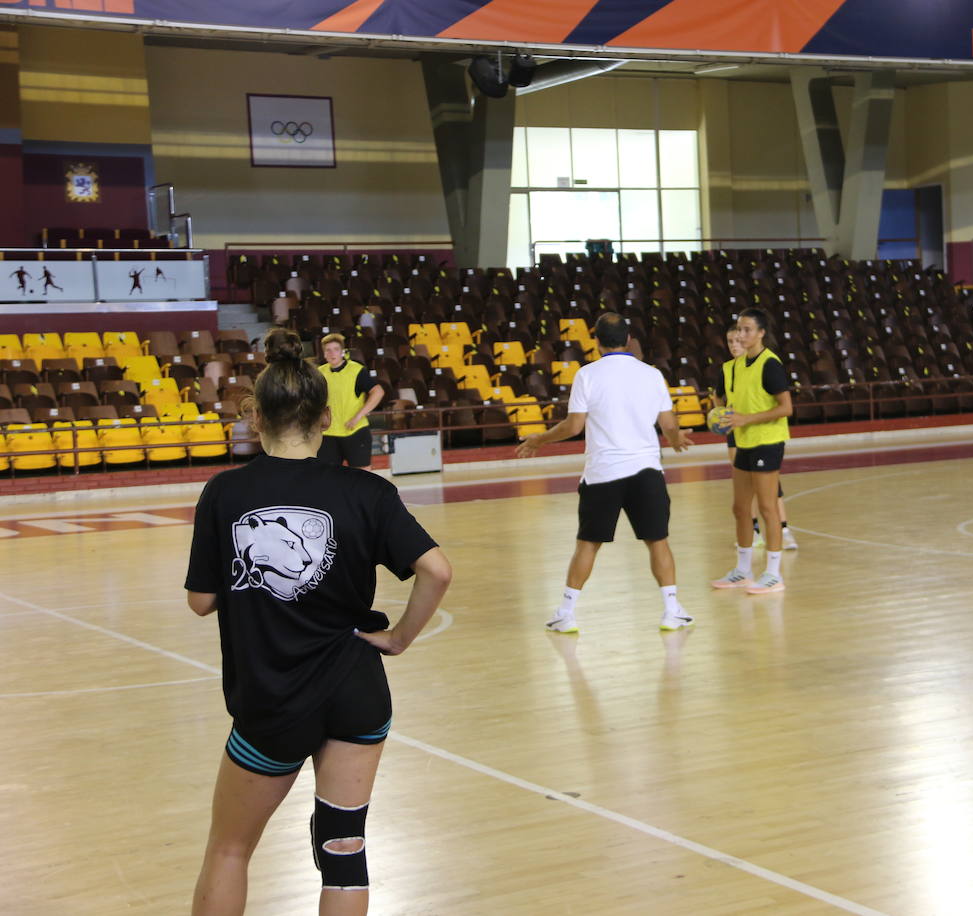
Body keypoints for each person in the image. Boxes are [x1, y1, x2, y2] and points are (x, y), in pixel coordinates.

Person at [185, 328, 452, 915]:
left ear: (257, 419)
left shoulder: (225, 493)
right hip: (356, 690)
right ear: (327, 417)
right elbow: (437, 571)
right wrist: (400, 639)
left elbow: (201, 601)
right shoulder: (367, 491)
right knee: (344, 857)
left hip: (274, 696)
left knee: (229, 850)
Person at [516, 312, 694, 633]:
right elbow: (668, 425)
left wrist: (539, 439)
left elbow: (573, 426)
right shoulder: (652, 374)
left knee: (587, 544)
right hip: (646, 472)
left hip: (603, 474)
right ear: (628, 340)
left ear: (595, 341)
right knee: (658, 542)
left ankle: (567, 614)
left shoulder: (587, 375)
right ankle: (671, 610)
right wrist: (676, 438)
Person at [710, 308, 793, 595]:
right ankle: (743, 571)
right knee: (740, 508)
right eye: (739, 329)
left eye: (747, 330)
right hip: (743, 441)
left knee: (768, 507)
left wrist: (745, 419)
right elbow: (724, 400)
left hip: (767, 441)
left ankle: (773, 574)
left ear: (761, 333)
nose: (741, 334)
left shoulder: (770, 364)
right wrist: (722, 416)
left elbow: (786, 407)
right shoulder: (733, 366)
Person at [316, 333, 385, 469]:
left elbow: (378, 391)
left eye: (336, 349)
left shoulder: (356, 370)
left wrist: (358, 416)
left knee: (362, 478)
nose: (332, 353)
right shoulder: (319, 373)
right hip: (328, 434)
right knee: (328, 478)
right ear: (324, 354)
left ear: (342, 352)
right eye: (328, 350)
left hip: (355, 431)